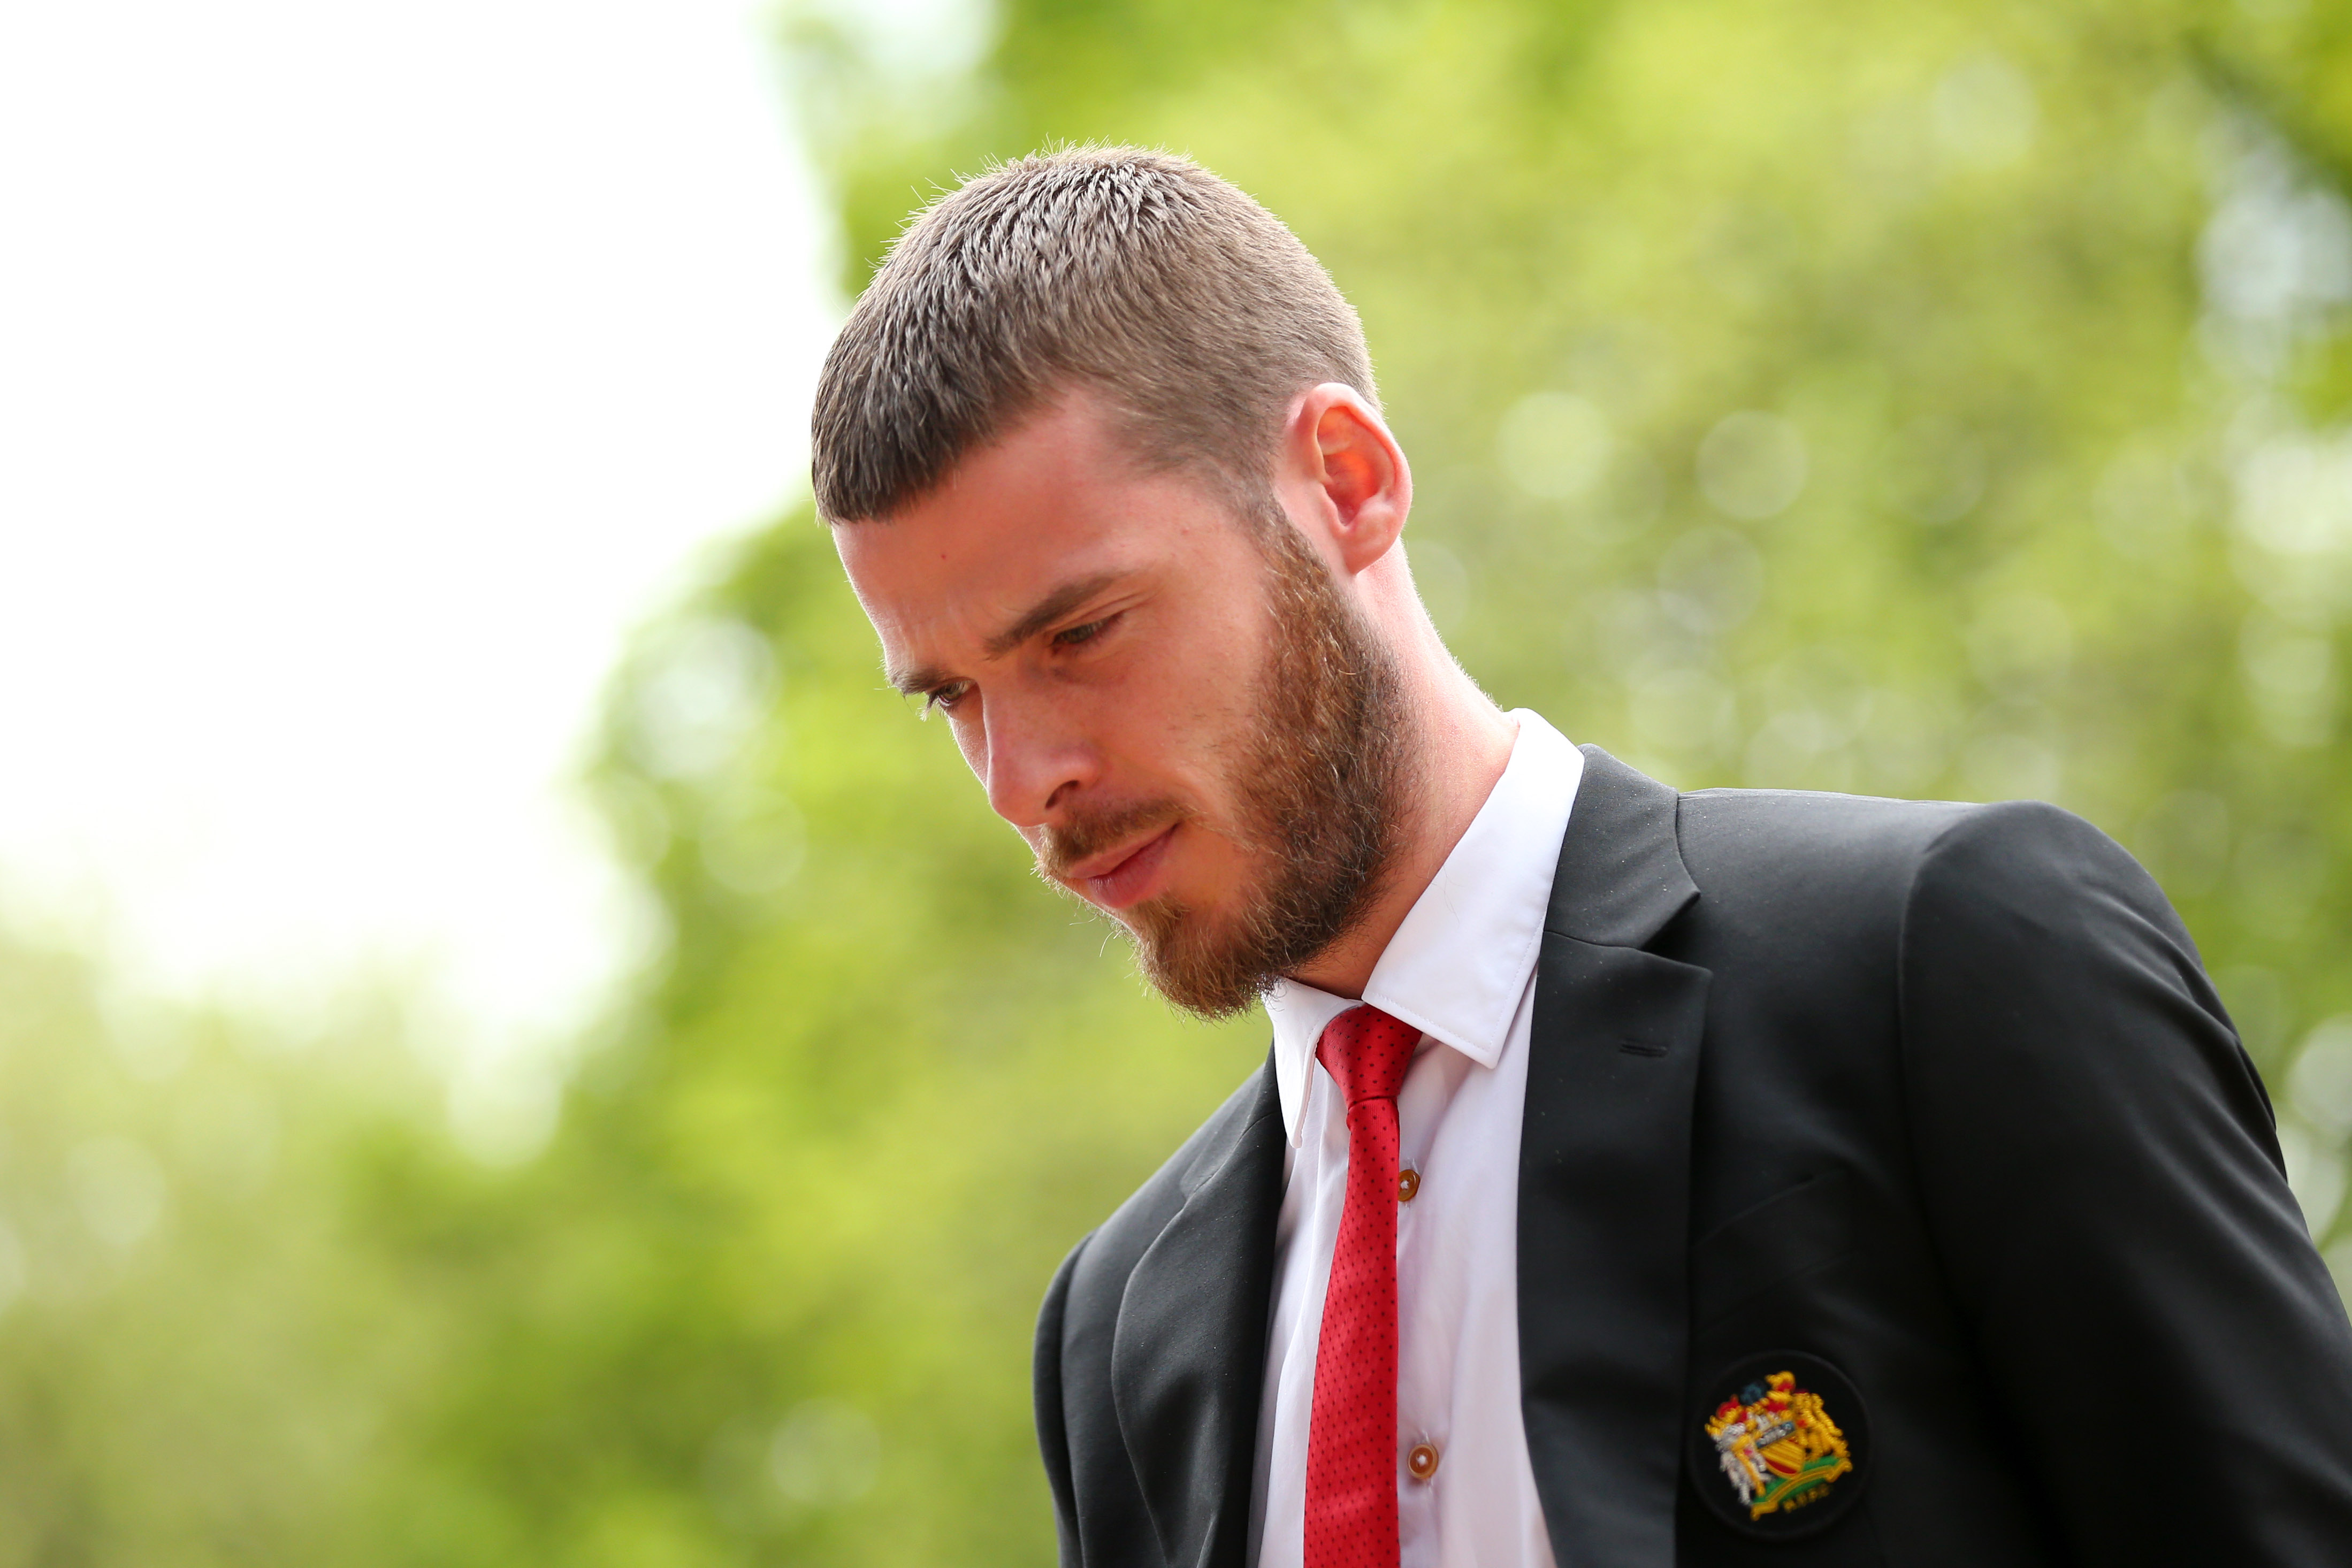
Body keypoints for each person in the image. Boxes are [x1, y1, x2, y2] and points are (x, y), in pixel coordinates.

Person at [811, 145, 2352, 1567]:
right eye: (951, 695)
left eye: (1079, 633)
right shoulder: (1115, 1328)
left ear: (1343, 483)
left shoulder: (1933, 965)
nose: (1024, 782)